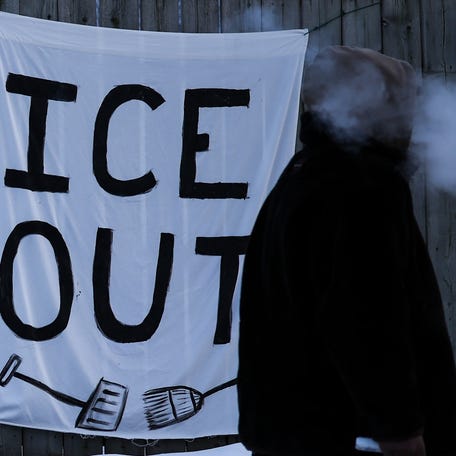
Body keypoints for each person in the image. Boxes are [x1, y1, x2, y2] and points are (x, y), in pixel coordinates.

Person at [236, 45, 456, 456]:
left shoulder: (302, 176)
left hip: (295, 437)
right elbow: (369, 322)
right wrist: (402, 435)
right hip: (353, 439)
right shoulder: (362, 188)